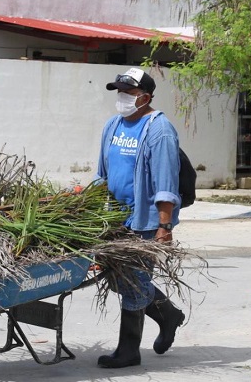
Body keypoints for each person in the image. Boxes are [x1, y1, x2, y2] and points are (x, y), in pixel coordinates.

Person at [95, 68, 185, 368]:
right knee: (119, 279)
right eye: (119, 92)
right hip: (115, 218)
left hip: (145, 221)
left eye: (128, 93)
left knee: (134, 282)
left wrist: (164, 225)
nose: (121, 98)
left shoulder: (159, 130)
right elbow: (103, 174)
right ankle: (168, 314)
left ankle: (129, 350)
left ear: (145, 97)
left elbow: (165, 183)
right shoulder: (113, 125)